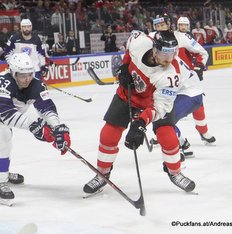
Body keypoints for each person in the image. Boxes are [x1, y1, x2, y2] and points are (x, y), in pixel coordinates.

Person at [83, 30, 199, 196]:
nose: (168, 59)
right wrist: (124, 67)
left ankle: (175, 172)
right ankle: (102, 173)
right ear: (154, 49)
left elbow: (160, 108)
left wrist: (140, 124)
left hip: (154, 102)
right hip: (127, 95)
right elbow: (130, 46)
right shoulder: (140, 42)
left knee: (168, 136)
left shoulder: (171, 76)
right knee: (108, 134)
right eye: (164, 53)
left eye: (173, 53)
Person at [0, 52, 71, 206]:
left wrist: (57, 128)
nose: (27, 79)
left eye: (29, 74)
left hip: (0, 112)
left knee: (5, 138)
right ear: (12, 72)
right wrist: (35, 126)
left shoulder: (36, 84)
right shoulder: (3, 81)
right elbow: (9, 115)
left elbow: (47, 107)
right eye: (22, 75)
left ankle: (2, 171)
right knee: (1, 133)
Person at [150, 15, 216, 157]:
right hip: (170, 83)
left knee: (165, 117)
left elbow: (202, 53)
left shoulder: (181, 37)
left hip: (186, 83)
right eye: (157, 25)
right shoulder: (151, 38)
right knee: (161, 115)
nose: (160, 28)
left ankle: (198, 134)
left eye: (162, 25)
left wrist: (199, 67)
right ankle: (178, 141)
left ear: (169, 24)